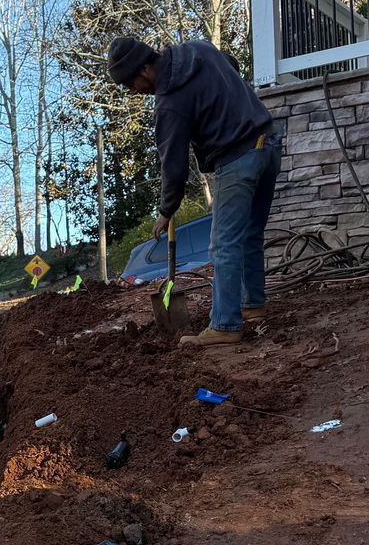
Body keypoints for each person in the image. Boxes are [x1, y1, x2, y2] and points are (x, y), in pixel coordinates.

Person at [107, 35, 282, 346]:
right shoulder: (198, 48)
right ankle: (253, 306)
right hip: (267, 144)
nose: (134, 92)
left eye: (131, 84)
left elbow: (173, 166)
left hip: (238, 156)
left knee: (223, 245)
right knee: (250, 235)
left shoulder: (170, 103)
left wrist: (166, 211)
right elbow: (231, 63)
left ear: (146, 69)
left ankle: (226, 325)